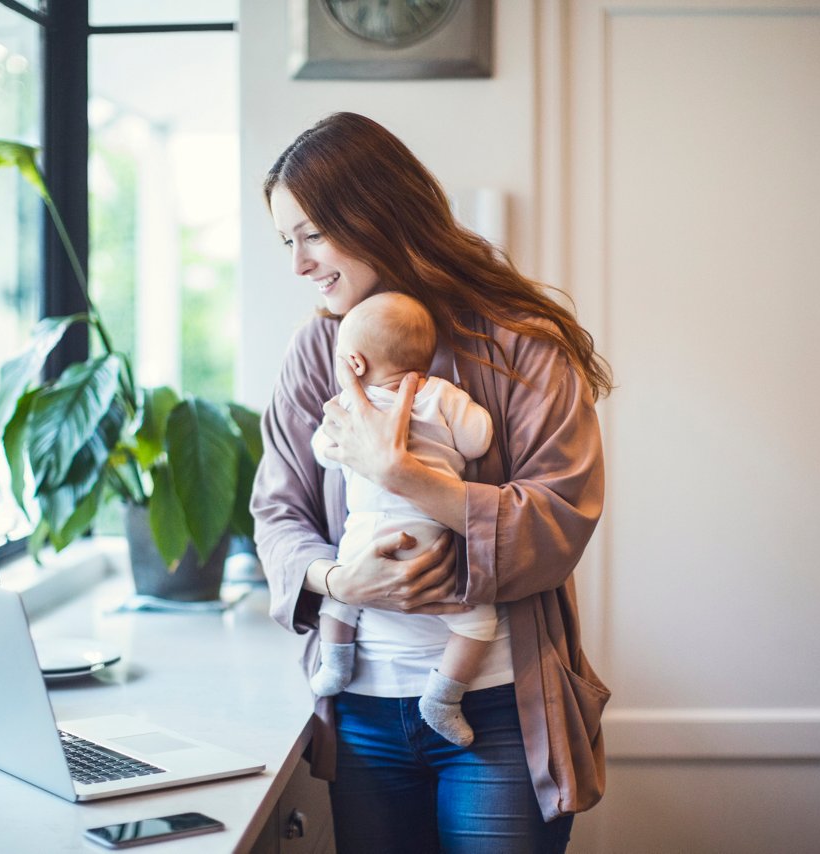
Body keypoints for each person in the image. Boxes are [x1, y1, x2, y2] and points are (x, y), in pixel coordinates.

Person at [252, 111, 612, 854]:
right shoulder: (318, 348)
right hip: (359, 710)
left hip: (501, 715)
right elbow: (276, 510)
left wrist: (400, 474)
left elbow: (561, 516)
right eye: (288, 240)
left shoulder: (520, 344)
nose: (299, 264)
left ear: (375, 213)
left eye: (313, 233)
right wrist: (339, 579)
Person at [308, 291, 496, 748]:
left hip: (365, 538)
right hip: (433, 536)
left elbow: (323, 451)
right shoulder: (442, 395)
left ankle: (334, 663)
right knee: (480, 620)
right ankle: (443, 698)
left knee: (341, 592)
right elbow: (478, 440)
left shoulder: (350, 406)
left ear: (353, 361)